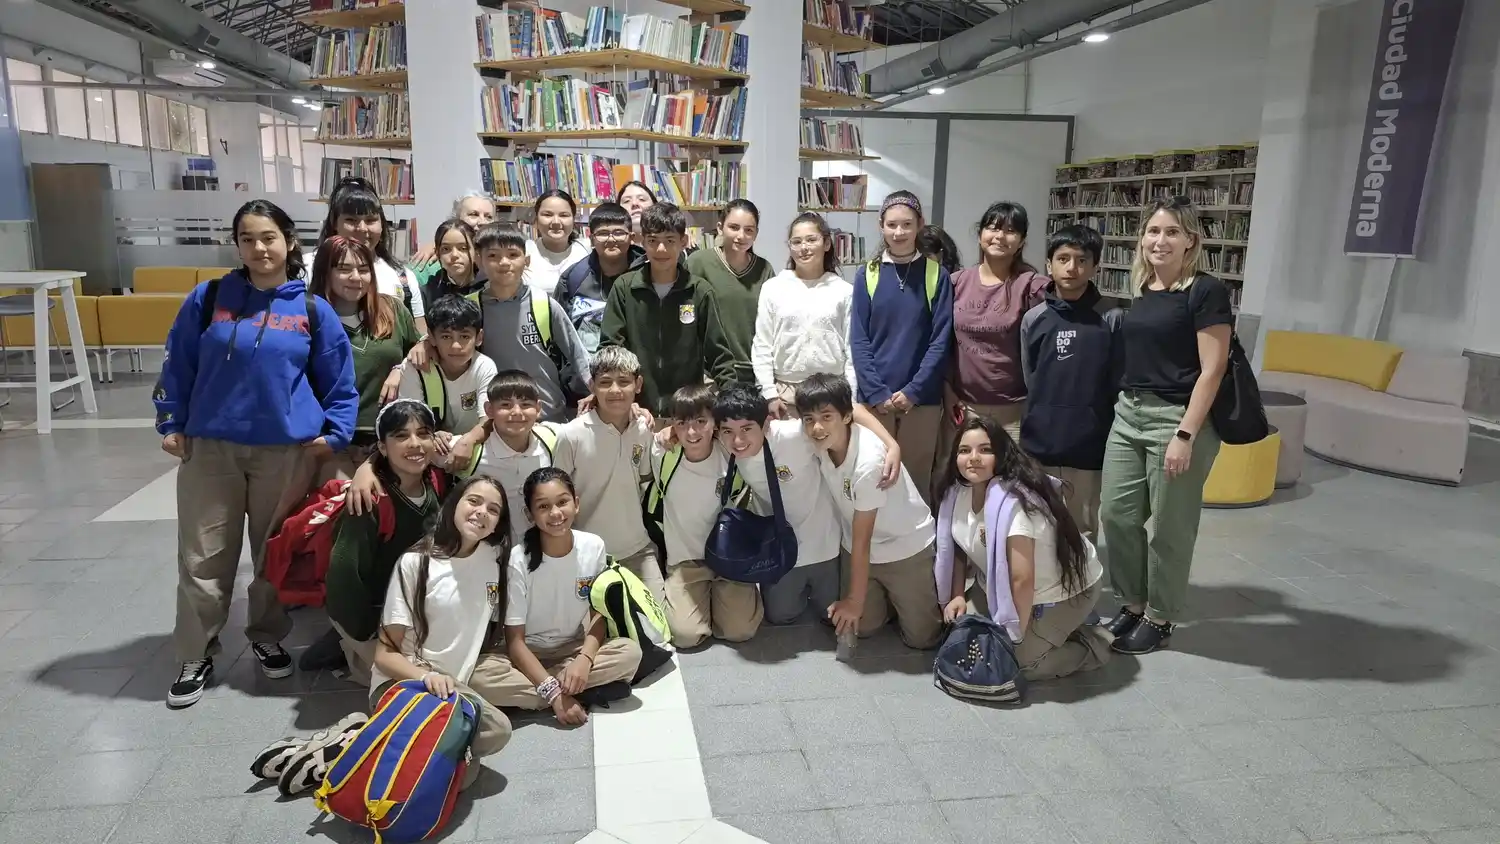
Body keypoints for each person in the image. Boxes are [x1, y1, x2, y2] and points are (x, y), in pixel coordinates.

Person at [156, 199, 357, 708]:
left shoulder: (312, 308)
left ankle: (266, 635)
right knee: (204, 554)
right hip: (211, 447)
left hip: (283, 451)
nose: (259, 248)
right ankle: (196, 650)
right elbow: (178, 363)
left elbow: (339, 381)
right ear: (238, 245)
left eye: (268, 237)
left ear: (289, 242)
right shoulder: (210, 299)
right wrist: (171, 423)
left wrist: (333, 434)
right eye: (248, 239)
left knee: (274, 551)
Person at [1100, 197, 1230, 655]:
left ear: (1191, 241)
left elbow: (1211, 370)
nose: (1160, 240)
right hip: (1129, 412)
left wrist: (1185, 434)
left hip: (1176, 418)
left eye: (1172, 232)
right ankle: (1131, 602)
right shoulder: (1143, 287)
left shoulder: (1205, 291)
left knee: (1171, 528)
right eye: (1153, 232)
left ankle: (1160, 615)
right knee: (1115, 516)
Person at [935, 416, 1112, 680]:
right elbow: (959, 545)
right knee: (961, 637)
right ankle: (1051, 633)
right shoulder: (956, 493)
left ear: (1002, 455)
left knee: (1016, 665)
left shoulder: (1014, 505)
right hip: (998, 585)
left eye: (985, 450)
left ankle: (1092, 645)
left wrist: (1013, 637)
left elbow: (1022, 579)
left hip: (1060, 591)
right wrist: (958, 594)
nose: (973, 458)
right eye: (964, 450)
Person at [467, 467, 645, 726]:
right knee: (479, 676)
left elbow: (599, 616)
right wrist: (554, 695)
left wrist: (584, 660)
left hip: (572, 648)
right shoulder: (519, 560)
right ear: (530, 514)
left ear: (576, 503)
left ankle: (540, 694)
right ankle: (570, 693)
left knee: (629, 653)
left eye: (562, 502)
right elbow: (515, 642)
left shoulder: (593, 546)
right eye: (543, 507)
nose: (555, 513)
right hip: (527, 654)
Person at [714, 384, 903, 626]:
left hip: (824, 542)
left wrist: (892, 444)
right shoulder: (723, 443)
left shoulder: (795, 434)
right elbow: (691, 430)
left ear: (766, 424)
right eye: (727, 431)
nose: (737, 440)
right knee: (781, 615)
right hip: (779, 547)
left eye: (747, 429)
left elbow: (851, 409)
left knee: (834, 617)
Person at [372, 475, 514, 790]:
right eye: (473, 501)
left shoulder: (493, 558)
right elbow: (384, 654)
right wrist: (424, 677)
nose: (481, 513)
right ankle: (366, 742)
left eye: (493, 509)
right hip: (409, 682)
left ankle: (406, 752)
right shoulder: (416, 563)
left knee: (484, 746)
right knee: (496, 729)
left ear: (498, 524)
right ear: (454, 504)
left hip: (455, 685)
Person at [797, 374, 944, 648]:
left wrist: (854, 601)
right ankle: (885, 600)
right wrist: (893, 443)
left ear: (844, 417)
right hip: (858, 548)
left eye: (827, 417)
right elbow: (857, 407)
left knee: (922, 639)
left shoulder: (868, 464)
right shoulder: (819, 440)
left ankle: (907, 594)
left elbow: (863, 539)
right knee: (860, 628)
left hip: (904, 548)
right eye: (809, 419)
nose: (817, 427)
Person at [325, 400, 450, 686]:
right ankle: (346, 642)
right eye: (401, 436)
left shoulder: (435, 480)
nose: (415, 444)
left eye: (423, 433)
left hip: (409, 606)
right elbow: (343, 576)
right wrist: (364, 630)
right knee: (405, 683)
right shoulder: (369, 500)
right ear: (382, 447)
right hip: (368, 613)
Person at [1019, 224, 1121, 541]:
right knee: (1037, 528)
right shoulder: (1033, 319)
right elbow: (1029, 375)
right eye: (1063, 258)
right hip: (1040, 444)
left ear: (1095, 266)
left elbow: (1117, 380)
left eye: (1081, 260)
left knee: (1083, 530)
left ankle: (1081, 591)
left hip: (1088, 446)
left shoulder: (1112, 317)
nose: (1071, 268)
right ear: (1049, 264)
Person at [850, 190, 953, 505]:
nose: (899, 232)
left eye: (907, 224)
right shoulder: (867, 274)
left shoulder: (937, 275)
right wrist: (877, 392)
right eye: (892, 224)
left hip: (921, 402)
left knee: (916, 481)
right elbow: (858, 339)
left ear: (920, 225)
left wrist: (913, 390)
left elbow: (940, 339)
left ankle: (916, 550)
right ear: (881, 225)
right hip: (873, 402)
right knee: (873, 476)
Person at [650, 384, 762, 648]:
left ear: (714, 422)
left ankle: (726, 596)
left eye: (701, 421)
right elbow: (641, 429)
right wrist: (661, 429)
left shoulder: (730, 453)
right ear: (672, 425)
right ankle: (702, 597)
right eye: (682, 423)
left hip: (729, 557)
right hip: (686, 562)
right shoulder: (662, 453)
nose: (691, 432)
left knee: (740, 630)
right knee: (685, 636)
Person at [551, 347, 664, 602]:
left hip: (637, 548)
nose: (615, 390)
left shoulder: (643, 428)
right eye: (605, 383)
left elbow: (644, 479)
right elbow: (557, 495)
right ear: (591, 386)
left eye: (624, 382)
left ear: (638, 385)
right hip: (586, 552)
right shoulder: (572, 435)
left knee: (662, 631)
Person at [600, 203, 734, 417]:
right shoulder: (625, 288)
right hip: (636, 409)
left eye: (669, 241)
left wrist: (731, 398)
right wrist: (626, 396)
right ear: (642, 242)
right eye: (653, 241)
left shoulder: (699, 291)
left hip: (687, 411)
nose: (661, 249)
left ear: (683, 242)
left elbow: (718, 353)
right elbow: (611, 348)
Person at [308, 235, 423, 480]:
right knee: (341, 509)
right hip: (329, 441)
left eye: (363, 269)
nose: (356, 278)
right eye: (344, 269)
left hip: (388, 438)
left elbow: (423, 349)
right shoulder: (307, 316)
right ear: (324, 272)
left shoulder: (392, 308)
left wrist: (401, 368)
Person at [943, 201, 1048, 469]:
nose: (1000, 236)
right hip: (963, 407)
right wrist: (948, 392)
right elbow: (940, 343)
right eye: (993, 228)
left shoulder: (1033, 286)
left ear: (1022, 241)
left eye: (1011, 231)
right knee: (961, 480)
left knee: (1009, 482)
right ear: (980, 235)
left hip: (1013, 409)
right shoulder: (956, 282)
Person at [471, 223, 590, 422]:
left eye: (512, 255)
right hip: (494, 419)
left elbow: (578, 355)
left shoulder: (544, 304)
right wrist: (423, 345)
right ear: (479, 260)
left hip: (548, 416)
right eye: (493, 256)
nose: (503, 262)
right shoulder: (471, 308)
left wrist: (598, 390)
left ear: (526, 260)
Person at [752, 211, 855, 419]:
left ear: (826, 244)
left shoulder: (844, 291)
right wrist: (769, 394)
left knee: (829, 451)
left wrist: (851, 397)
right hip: (785, 395)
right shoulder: (773, 288)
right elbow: (762, 344)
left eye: (811, 240)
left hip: (832, 393)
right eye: (796, 242)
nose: (804, 248)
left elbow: (852, 349)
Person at [312, 177, 428, 342]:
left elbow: (421, 340)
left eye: (371, 220)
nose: (362, 229)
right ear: (334, 223)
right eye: (351, 220)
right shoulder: (309, 268)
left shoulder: (403, 277)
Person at [685, 199, 773, 384]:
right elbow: (685, 317)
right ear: (720, 228)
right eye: (734, 227)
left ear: (756, 234)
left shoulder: (765, 269)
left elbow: (772, 323)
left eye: (749, 230)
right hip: (710, 374)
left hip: (754, 373)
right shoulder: (698, 262)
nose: (741, 236)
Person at [470, 370, 560, 545]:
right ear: (489, 409)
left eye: (526, 404)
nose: (517, 412)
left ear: (539, 408)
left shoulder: (551, 438)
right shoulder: (472, 451)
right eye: (505, 405)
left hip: (538, 552)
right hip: (489, 554)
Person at [397, 294, 498, 443]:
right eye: (446, 337)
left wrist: (467, 441)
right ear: (431, 337)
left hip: (475, 446)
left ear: (479, 337)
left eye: (464, 337)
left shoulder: (484, 366)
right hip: (429, 447)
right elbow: (410, 420)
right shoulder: (416, 366)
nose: (456, 346)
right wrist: (431, 434)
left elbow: (488, 420)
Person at [553, 202, 644, 356]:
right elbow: (559, 332)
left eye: (618, 232)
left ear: (631, 237)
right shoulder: (573, 278)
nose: (611, 239)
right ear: (592, 239)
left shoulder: (648, 273)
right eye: (602, 233)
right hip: (586, 372)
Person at [409, 190, 498, 286]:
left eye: (488, 217)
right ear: (456, 219)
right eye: (473, 214)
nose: (482, 222)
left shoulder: (502, 261)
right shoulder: (428, 267)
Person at [523, 190, 591, 298]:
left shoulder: (587, 251)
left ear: (574, 219)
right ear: (536, 219)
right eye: (547, 215)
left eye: (564, 215)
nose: (556, 222)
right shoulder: (524, 251)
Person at [420, 219, 486, 311]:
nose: (454, 255)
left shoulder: (488, 288)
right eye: (446, 249)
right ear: (437, 253)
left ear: (475, 251)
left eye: (463, 248)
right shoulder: (429, 291)